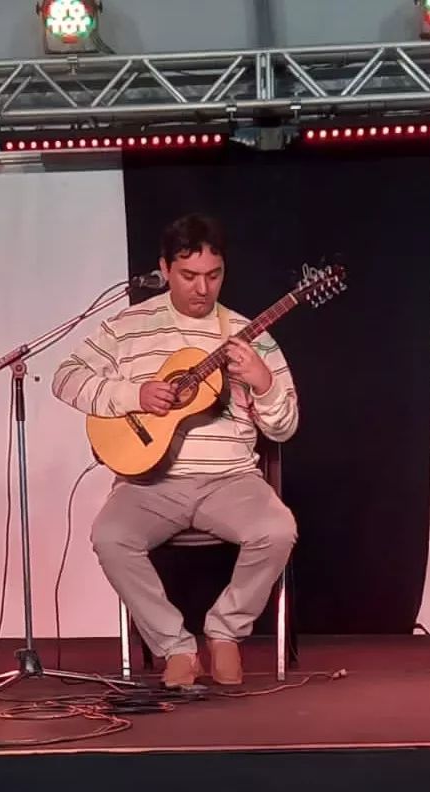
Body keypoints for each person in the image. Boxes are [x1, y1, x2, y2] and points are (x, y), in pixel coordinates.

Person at [51, 213, 298, 687]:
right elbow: (66, 377)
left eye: (213, 275)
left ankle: (225, 632)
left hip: (230, 479)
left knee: (277, 530)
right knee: (110, 537)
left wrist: (264, 383)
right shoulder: (128, 327)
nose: (202, 289)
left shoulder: (250, 335)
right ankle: (175, 647)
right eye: (188, 275)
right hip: (150, 482)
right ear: (164, 268)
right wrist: (134, 395)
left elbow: (284, 428)